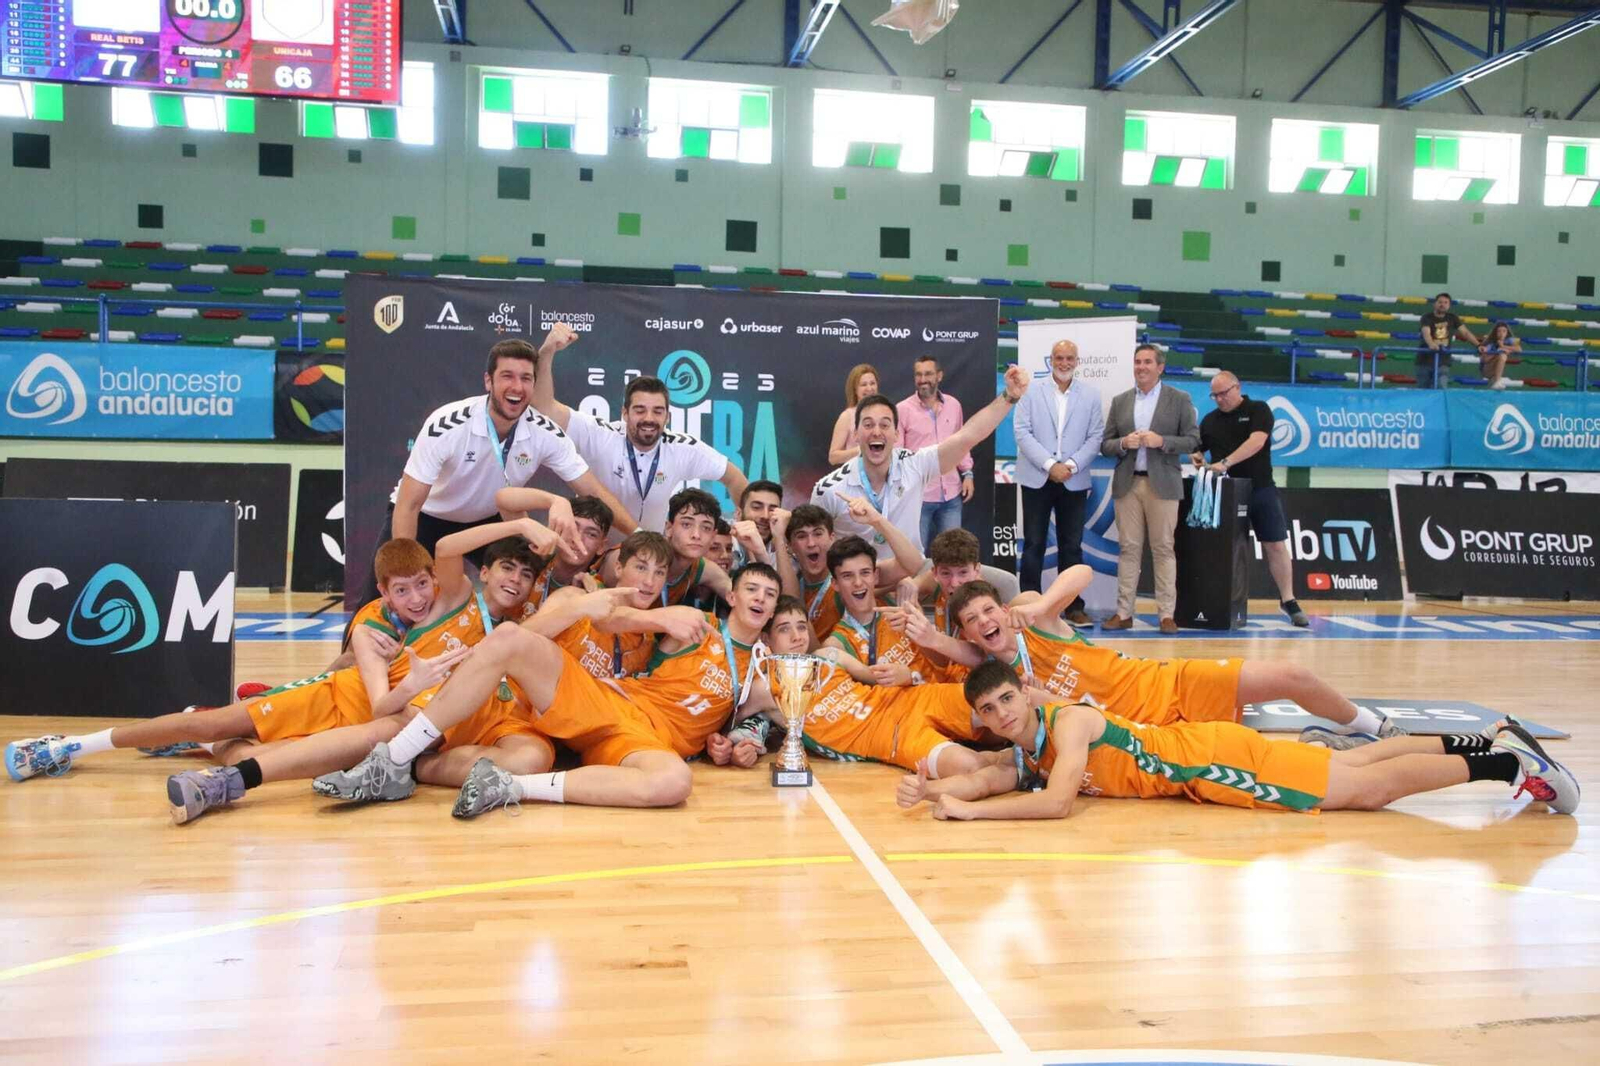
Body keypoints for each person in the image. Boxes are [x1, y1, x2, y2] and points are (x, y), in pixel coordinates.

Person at [6, 523, 557, 784]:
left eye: (420, 587)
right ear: (385, 592)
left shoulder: (505, 628)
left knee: (246, 752)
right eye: (403, 590)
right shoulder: (378, 623)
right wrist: (403, 682)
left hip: (375, 726)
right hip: (349, 704)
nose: (416, 597)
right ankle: (75, 745)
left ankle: (210, 749)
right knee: (219, 724)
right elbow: (376, 694)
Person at [313, 564, 784, 815]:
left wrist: (750, 740)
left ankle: (510, 787)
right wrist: (657, 616)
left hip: (638, 743)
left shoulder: (766, 672)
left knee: (675, 783)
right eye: (753, 589)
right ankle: (394, 758)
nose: (760, 599)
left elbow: (787, 719)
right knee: (509, 638)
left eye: (770, 594)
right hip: (608, 700)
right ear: (732, 595)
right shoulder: (697, 624)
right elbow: (613, 618)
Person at [159, 585, 646, 824]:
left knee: (529, 758)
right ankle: (228, 777)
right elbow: (515, 638)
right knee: (382, 731)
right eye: (638, 569)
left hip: (520, 725)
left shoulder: (642, 639)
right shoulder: (570, 599)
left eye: (656, 573)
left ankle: (398, 769)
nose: (646, 581)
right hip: (465, 700)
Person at [894, 661, 1579, 820]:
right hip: (1209, 754)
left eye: (1008, 698)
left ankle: (1507, 766)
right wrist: (935, 790)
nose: (1002, 713)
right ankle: (1485, 736)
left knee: (1365, 793)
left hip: (1215, 762)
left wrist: (968, 813)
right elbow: (991, 777)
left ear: (1023, 694)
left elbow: (1056, 806)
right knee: (1365, 758)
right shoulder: (1024, 747)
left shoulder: (1068, 725)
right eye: (989, 709)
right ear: (983, 719)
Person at [906, 571, 1401, 743]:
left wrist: (1040, 604)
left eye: (987, 610)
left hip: (1166, 684)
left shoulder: (1033, 619)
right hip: (1145, 733)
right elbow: (957, 650)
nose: (983, 622)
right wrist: (928, 636)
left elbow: (1079, 573)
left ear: (1000, 606)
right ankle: (1336, 742)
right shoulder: (993, 670)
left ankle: (1371, 725)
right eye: (971, 620)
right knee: (1255, 754)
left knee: (1290, 673)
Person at [369, 330, 631, 604]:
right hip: (425, 515)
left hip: (487, 518)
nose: (517, 387)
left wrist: (637, 534)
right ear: (488, 381)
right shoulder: (447, 424)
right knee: (385, 602)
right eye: (507, 376)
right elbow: (409, 505)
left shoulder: (546, 432)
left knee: (523, 588)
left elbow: (593, 489)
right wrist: (406, 571)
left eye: (526, 378)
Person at [729, 595, 990, 779]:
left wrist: (909, 675)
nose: (797, 636)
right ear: (766, 638)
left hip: (909, 698)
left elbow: (874, 677)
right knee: (972, 766)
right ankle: (1015, 768)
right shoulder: (763, 687)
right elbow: (723, 718)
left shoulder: (829, 655)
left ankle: (1025, 762)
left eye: (801, 627)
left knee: (1004, 707)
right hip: (888, 738)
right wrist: (722, 747)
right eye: (785, 629)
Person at [813, 367, 1029, 556]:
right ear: (856, 434)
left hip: (908, 577)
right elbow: (812, 547)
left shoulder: (914, 464)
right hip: (856, 585)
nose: (876, 432)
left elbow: (968, 436)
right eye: (868, 425)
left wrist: (1009, 397)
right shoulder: (828, 489)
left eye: (885, 425)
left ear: (896, 434)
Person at [530, 356, 748, 531]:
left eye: (657, 411)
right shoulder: (601, 434)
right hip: (591, 554)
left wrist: (746, 529)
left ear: (668, 417)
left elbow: (735, 478)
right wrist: (548, 353)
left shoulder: (682, 448)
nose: (649, 419)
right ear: (625, 413)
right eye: (640, 410)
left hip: (649, 560)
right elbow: (544, 407)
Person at [1192, 371, 1309, 628]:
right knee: (1223, 550)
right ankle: (1217, 601)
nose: (1220, 399)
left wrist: (1224, 463)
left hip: (1260, 489)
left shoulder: (1258, 410)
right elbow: (1197, 449)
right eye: (1215, 395)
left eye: (1224, 393)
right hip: (1225, 494)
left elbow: (1256, 442)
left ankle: (1288, 600)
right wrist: (1199, 461)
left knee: (1275, 544)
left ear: (1238, 387)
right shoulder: (1210, 420)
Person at [1099, 345, 1198, 634]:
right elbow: (1106, 444)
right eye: (1137, 362)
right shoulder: (1120, 402)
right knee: (1129, 549)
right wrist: (1122, 444)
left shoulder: (1179, 399)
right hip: (1128, 483)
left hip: (1164, 484)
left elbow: (1193, 440)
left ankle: (1166, 615)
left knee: (1164, 548)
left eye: (1147, 362)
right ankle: (1123, 612)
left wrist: (1161, 441)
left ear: (1160, 367)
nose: (1141, 367)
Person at [1012, 339, 1103, 624]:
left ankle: (1073, 606)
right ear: (1050, 360)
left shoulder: (1090, 395)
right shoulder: (1031, 392)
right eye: (1059, 358)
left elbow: (1095, 436)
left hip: (1073, 480)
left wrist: (1071, 466)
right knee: (1034, 544)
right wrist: (1050, 465)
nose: (1064, 363)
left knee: (1072, 546)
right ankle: (1031, 603)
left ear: (1077, 362)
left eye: (1069, 358)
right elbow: (1022, 432)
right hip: (1037, 477)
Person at [898, 355, 973, 548]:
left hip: (951, 496)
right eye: (919, 374)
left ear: (939, 376)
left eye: (928, 374)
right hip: (917, 498)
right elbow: (897, 454)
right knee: (914, 557)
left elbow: (961, 443)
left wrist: (968, 474)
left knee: (954, 554)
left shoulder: (953, 405)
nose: (923, 379)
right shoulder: (902, 410)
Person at [502, 490, 610, 616]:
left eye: (591, 534)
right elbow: (503, 500)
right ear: (558, 527)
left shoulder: (595, 590)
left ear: (601, 546)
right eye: (573, 527)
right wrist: (555, 501)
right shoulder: (534, 556)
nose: (578, 538)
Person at [1416, 292, 1479, 390]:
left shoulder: (1452, 318)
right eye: (1440, 302)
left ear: (1449, 306)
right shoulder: (1427, 317)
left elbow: (1465, 333)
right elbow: (1426, 333)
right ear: (1435, 304)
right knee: (1423, 390)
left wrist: (1478, 345)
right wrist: (1431, 344)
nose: (1442, 305)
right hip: (1425, 360)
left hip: (1443, 361)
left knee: (1441, 387)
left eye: (1446, 303)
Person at [828, 363, 882, 465]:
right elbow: (833, 457)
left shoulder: (886, 413)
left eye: (872, 383)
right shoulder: (847, 417)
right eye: (864, 384)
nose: (869, 388)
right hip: (855, 477)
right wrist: (861, 450)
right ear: (855, 389)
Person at [730, 479, 783, 567]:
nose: (765, 516)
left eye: (772, 510)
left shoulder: (781, 554)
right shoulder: (720, 543)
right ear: (738, 513)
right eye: (757, 507)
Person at [1477, 321, 1519, 390]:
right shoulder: (1490, 342)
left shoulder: (1508, 340)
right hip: (1486, 369)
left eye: (1504, 331)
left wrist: (1503, 346)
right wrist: (1498, 352)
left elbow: (1519, 349)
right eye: (1499, 331)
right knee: (1502, 355)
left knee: (1503, 355)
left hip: (1496, 370)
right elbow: (1485, 359)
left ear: (1507, 333)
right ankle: (1497, 381)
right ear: (1495, 333)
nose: (1501, 334)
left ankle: (1497, 380)